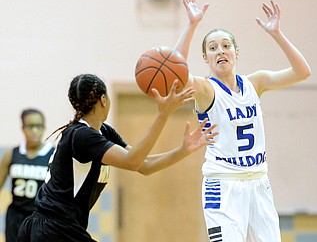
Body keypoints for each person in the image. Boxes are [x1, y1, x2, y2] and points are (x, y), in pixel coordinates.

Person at [173, 0, 311, 241]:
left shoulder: (255, 83)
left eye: (226, 46)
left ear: (236, 52)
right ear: (205, 57)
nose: (220, 51)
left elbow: (302, 72)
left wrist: (277, 34)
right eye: (213, 48)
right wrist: (192, 25)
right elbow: (175, 75)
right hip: (223, 184)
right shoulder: (206, 89)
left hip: (259, 182)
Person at [16, 73, 218, 242]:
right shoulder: (81, 136)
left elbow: (143, 164)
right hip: (52, 229)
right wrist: (163, 115)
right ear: (104, 100)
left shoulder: (102, 131)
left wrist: (184, 150)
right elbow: (133, 161)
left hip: (59, 229)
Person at [0, 108, 55, 242]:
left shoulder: (53, 155)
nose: (35, 131)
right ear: (23, 128)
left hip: (41, 218)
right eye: (31, 126)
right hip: (16, 216)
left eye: (39, 126)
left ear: (44, 128)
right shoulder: (12, 154)